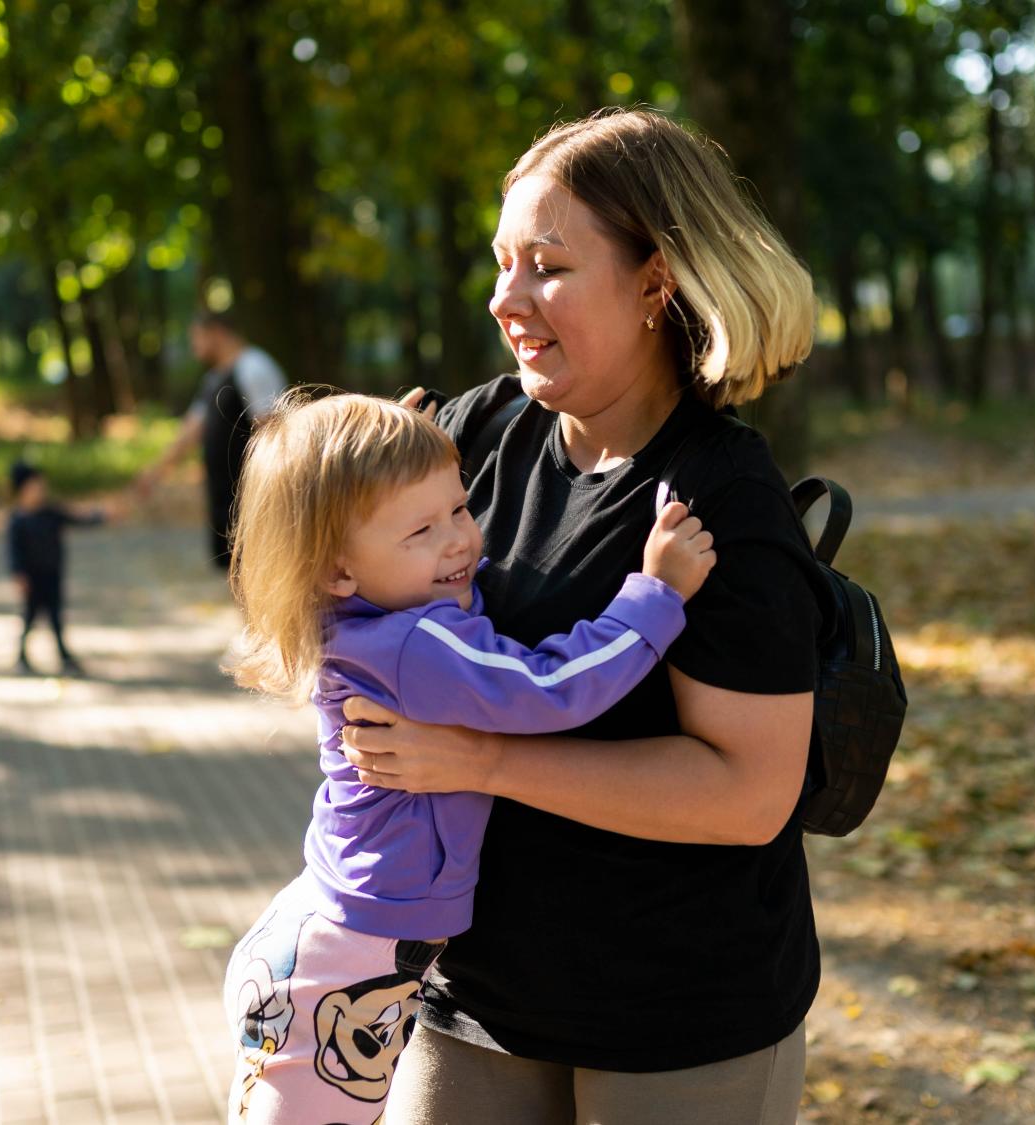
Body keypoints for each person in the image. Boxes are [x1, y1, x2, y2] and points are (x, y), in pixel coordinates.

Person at [336, 108, 825, 1123]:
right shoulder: (471, 433)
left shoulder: (717, 500)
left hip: (680, 1023)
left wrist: (480, 759)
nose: (504, 300)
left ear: (655, 282)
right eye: (500, 264)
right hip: (473, 1000)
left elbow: (748, 793)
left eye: (546, 268)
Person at [218, 390, 715, 1124]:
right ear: (335, 570)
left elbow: (441, 587)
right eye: (421, 528)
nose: (459, 540)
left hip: (330, 936)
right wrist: (655, 594)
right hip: (352, 966)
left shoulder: (365, 617)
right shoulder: (417, 644)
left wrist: (394, 488)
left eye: (459, 507)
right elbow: (553, 687)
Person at [136, 313, 289, 569]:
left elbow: (272, 428)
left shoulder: (254, 366)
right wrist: (155, 473)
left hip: (253, 492)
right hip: (224, 496)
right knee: (235, 569)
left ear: (216, 332)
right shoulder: (214, 378)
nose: (194, 346)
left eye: (196, 338)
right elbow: (191, 431)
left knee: (259, 568)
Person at [6, 460, 106, 676]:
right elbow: (14, 553)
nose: (40, 491)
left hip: (53, 576)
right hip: (33, 579)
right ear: (22, 489)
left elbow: (79, 520)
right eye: (35, 486)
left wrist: (102, 516)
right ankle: (22, 655)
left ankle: (63, 655)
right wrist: (19, 575)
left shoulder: (50, 513)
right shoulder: (18, 521)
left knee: (56, 618)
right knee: (30, 618)